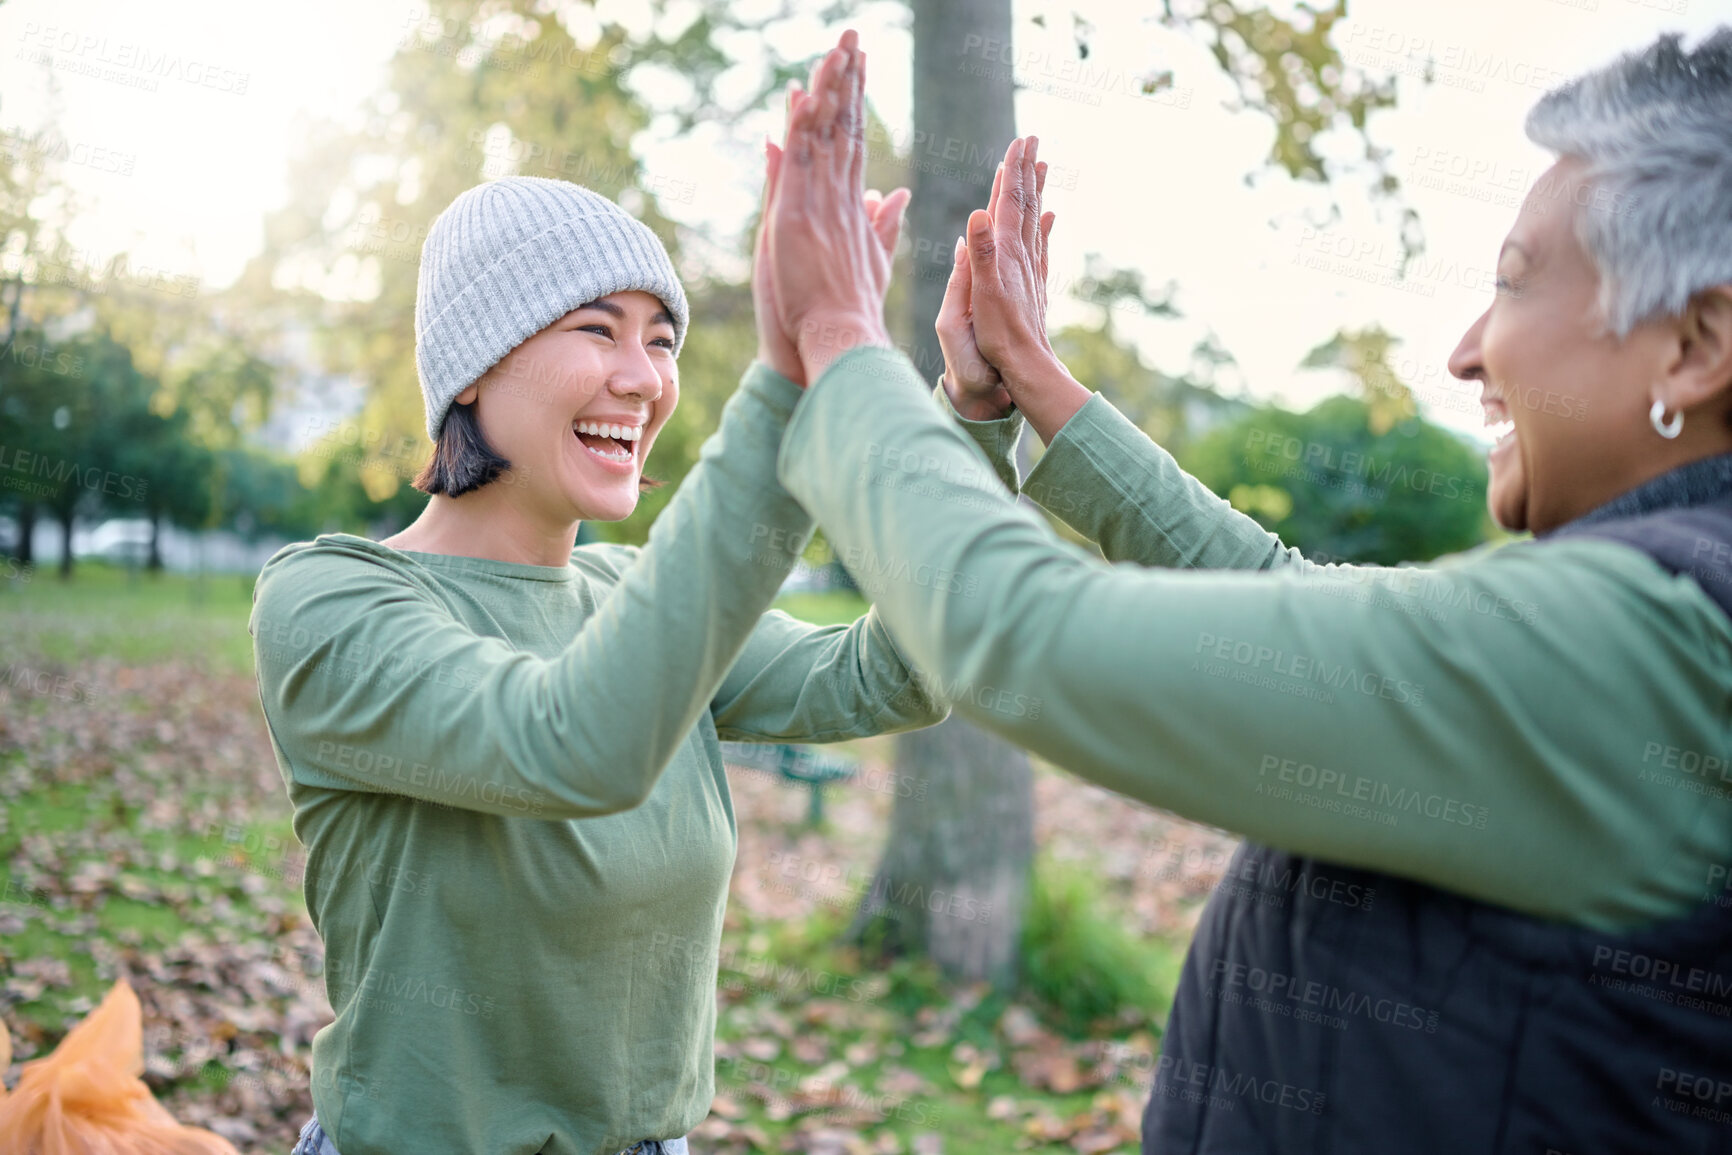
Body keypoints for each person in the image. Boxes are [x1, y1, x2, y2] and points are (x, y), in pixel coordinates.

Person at [767, 27, 1732, 1154]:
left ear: (1694, 345)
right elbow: (1288, 605)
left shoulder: (1661, 644)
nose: (1469, 352)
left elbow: (1026, 636)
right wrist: (1034, 387)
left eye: (1516, 284)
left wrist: (837, 333)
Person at [251, 35, 941, 1155]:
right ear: (473, 365)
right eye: (596, 329)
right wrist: (786, 382)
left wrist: (974, 413)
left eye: (661, 339)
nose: (645, 378)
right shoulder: (328, 604)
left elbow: (902, 669)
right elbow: (569, 746)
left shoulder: (631, 593)